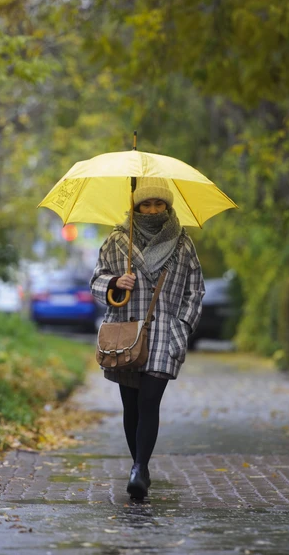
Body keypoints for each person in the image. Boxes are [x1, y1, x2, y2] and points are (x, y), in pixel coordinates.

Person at [90, 177, 205, 500]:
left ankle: (140, 467)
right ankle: (138, 466)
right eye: (146, 204)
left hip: (165, 334)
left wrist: (182, 326)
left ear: (168, 207)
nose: (153, 210)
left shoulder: (183, 243)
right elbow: (95, 281)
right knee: (131, 406)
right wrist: (115, 282)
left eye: (159, 204)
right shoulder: (117, 241)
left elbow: (195, 291)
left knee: (149, 400)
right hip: (126, 335)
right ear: (136, 207)